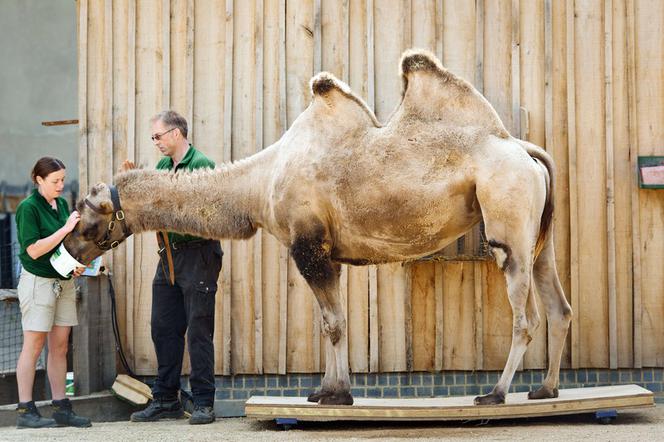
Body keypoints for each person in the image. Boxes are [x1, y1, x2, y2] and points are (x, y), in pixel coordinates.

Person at [127, 110, 222, 425]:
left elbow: (207, 215)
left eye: (158, 136)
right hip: (168, 256)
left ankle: (204, 403)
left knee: (198, 329)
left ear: (176, 133)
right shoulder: (162, 168)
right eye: (153, 137)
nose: (155, 142)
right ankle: (166, 399)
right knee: (163, 328)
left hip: (199, 254)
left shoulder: (202, 166)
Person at [14, 157, 91, 428]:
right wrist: (66, 228)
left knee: (59, 346)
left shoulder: (60, 205)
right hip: (38, 283)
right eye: (55, 181)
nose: (61, 185)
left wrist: (74, 265)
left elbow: (63, 246)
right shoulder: (28, 208)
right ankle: (26, 410)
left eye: (62, 179)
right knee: (33, 346)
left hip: (63, 282)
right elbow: (33, 249)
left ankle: (62, 407)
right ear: (39, 180)